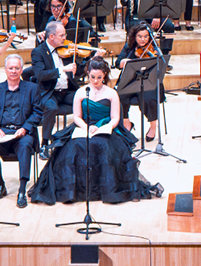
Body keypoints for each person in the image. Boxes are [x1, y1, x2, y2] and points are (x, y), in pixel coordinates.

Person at [30, 57, 161, 205]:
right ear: (88, 74)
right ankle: (75, 190)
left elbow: (115, 118)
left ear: (104, 75)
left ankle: (105, 188)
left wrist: (104, 128)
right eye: (92, 77)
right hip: (84, 126)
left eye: (99, 77)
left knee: (103, 146)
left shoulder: (111, 93)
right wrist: (87, 128)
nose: (95, 80)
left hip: (106, 127)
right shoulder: (81, 92)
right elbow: (77, 117)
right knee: (75, 147)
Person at [0, 54, 41, 207]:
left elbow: (37, 113)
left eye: (17, 68)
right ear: (5, 70)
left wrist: (25, 128)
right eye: (11, 68)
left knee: (25, 145)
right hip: (2, 133)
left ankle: (22, 189)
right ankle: (0, 184)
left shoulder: (32, 88)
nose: (13, 71)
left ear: (21, 70)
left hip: (21, 133)